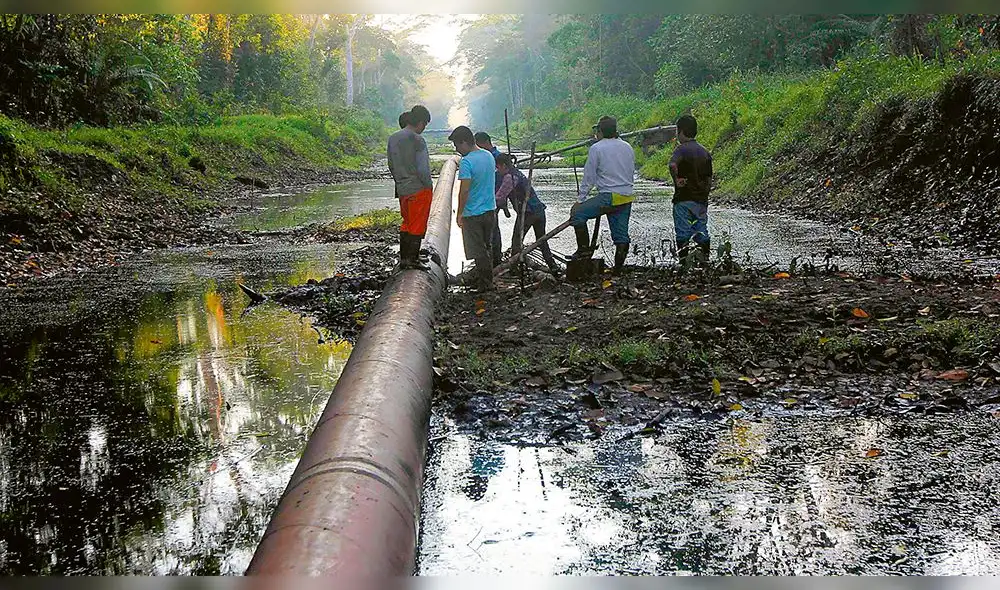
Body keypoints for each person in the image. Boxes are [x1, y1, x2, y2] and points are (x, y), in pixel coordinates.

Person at [570, 115, 635, 275]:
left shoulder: (597, 148)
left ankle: (583, 251)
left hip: (608, 197)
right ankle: (618, 270)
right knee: (621, 237)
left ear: (600, 131)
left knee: (577, 214)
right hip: (626, 197)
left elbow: (589, 177)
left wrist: (580, 200)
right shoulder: (627, 147)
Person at [495, 154, 560, 277]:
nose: (498, 170)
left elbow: (500, 197)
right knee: (542, 240)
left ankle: (515, 270)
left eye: (498, 167)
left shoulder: (510, 177)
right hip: (539, 210)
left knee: (516, 242)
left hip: (528, 212)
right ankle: (553, 267)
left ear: (504, 165)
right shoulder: (518, 173)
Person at [450, 125, 497, 292]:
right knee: (486, 246)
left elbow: (464, 190)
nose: (457, 149)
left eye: (457, 145)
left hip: (473, 213)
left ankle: (486, 284)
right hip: (490, 210)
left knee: (478, 250)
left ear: (464, 142)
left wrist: (460, 212)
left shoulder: (467, 162)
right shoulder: (489, 156)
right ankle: (485, 280)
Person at [387, 105, 433, 271]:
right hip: (418, 188)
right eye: (425, 125)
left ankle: (405, 258)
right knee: (417, 224)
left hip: (402, 188)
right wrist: (429, 186)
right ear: (420, 122)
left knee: (407, 223)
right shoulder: (417, 139)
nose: (424, 128)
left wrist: (399, 182)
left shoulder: (393, 138)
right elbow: (422, 169)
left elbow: (391, 165)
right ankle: (412, 259)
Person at [669, 114, 713, 266]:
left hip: (683, 199)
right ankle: (705, 259)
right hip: (700, 200)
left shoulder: (680, 150)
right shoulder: (705, 152)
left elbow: (672, 165)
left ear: (680, 132)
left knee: (683, 232)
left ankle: (684, 263)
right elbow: (709, 177)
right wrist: (705, 193)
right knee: (701, 229)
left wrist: (677, 180)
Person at [475, 131, 507, 267]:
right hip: (489, 197)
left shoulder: (495, 157)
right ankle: (493, 258)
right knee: (492, 228)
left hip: (493, 198)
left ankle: (494, 259)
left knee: (492, 229)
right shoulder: (492, 156)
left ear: (484, 143)